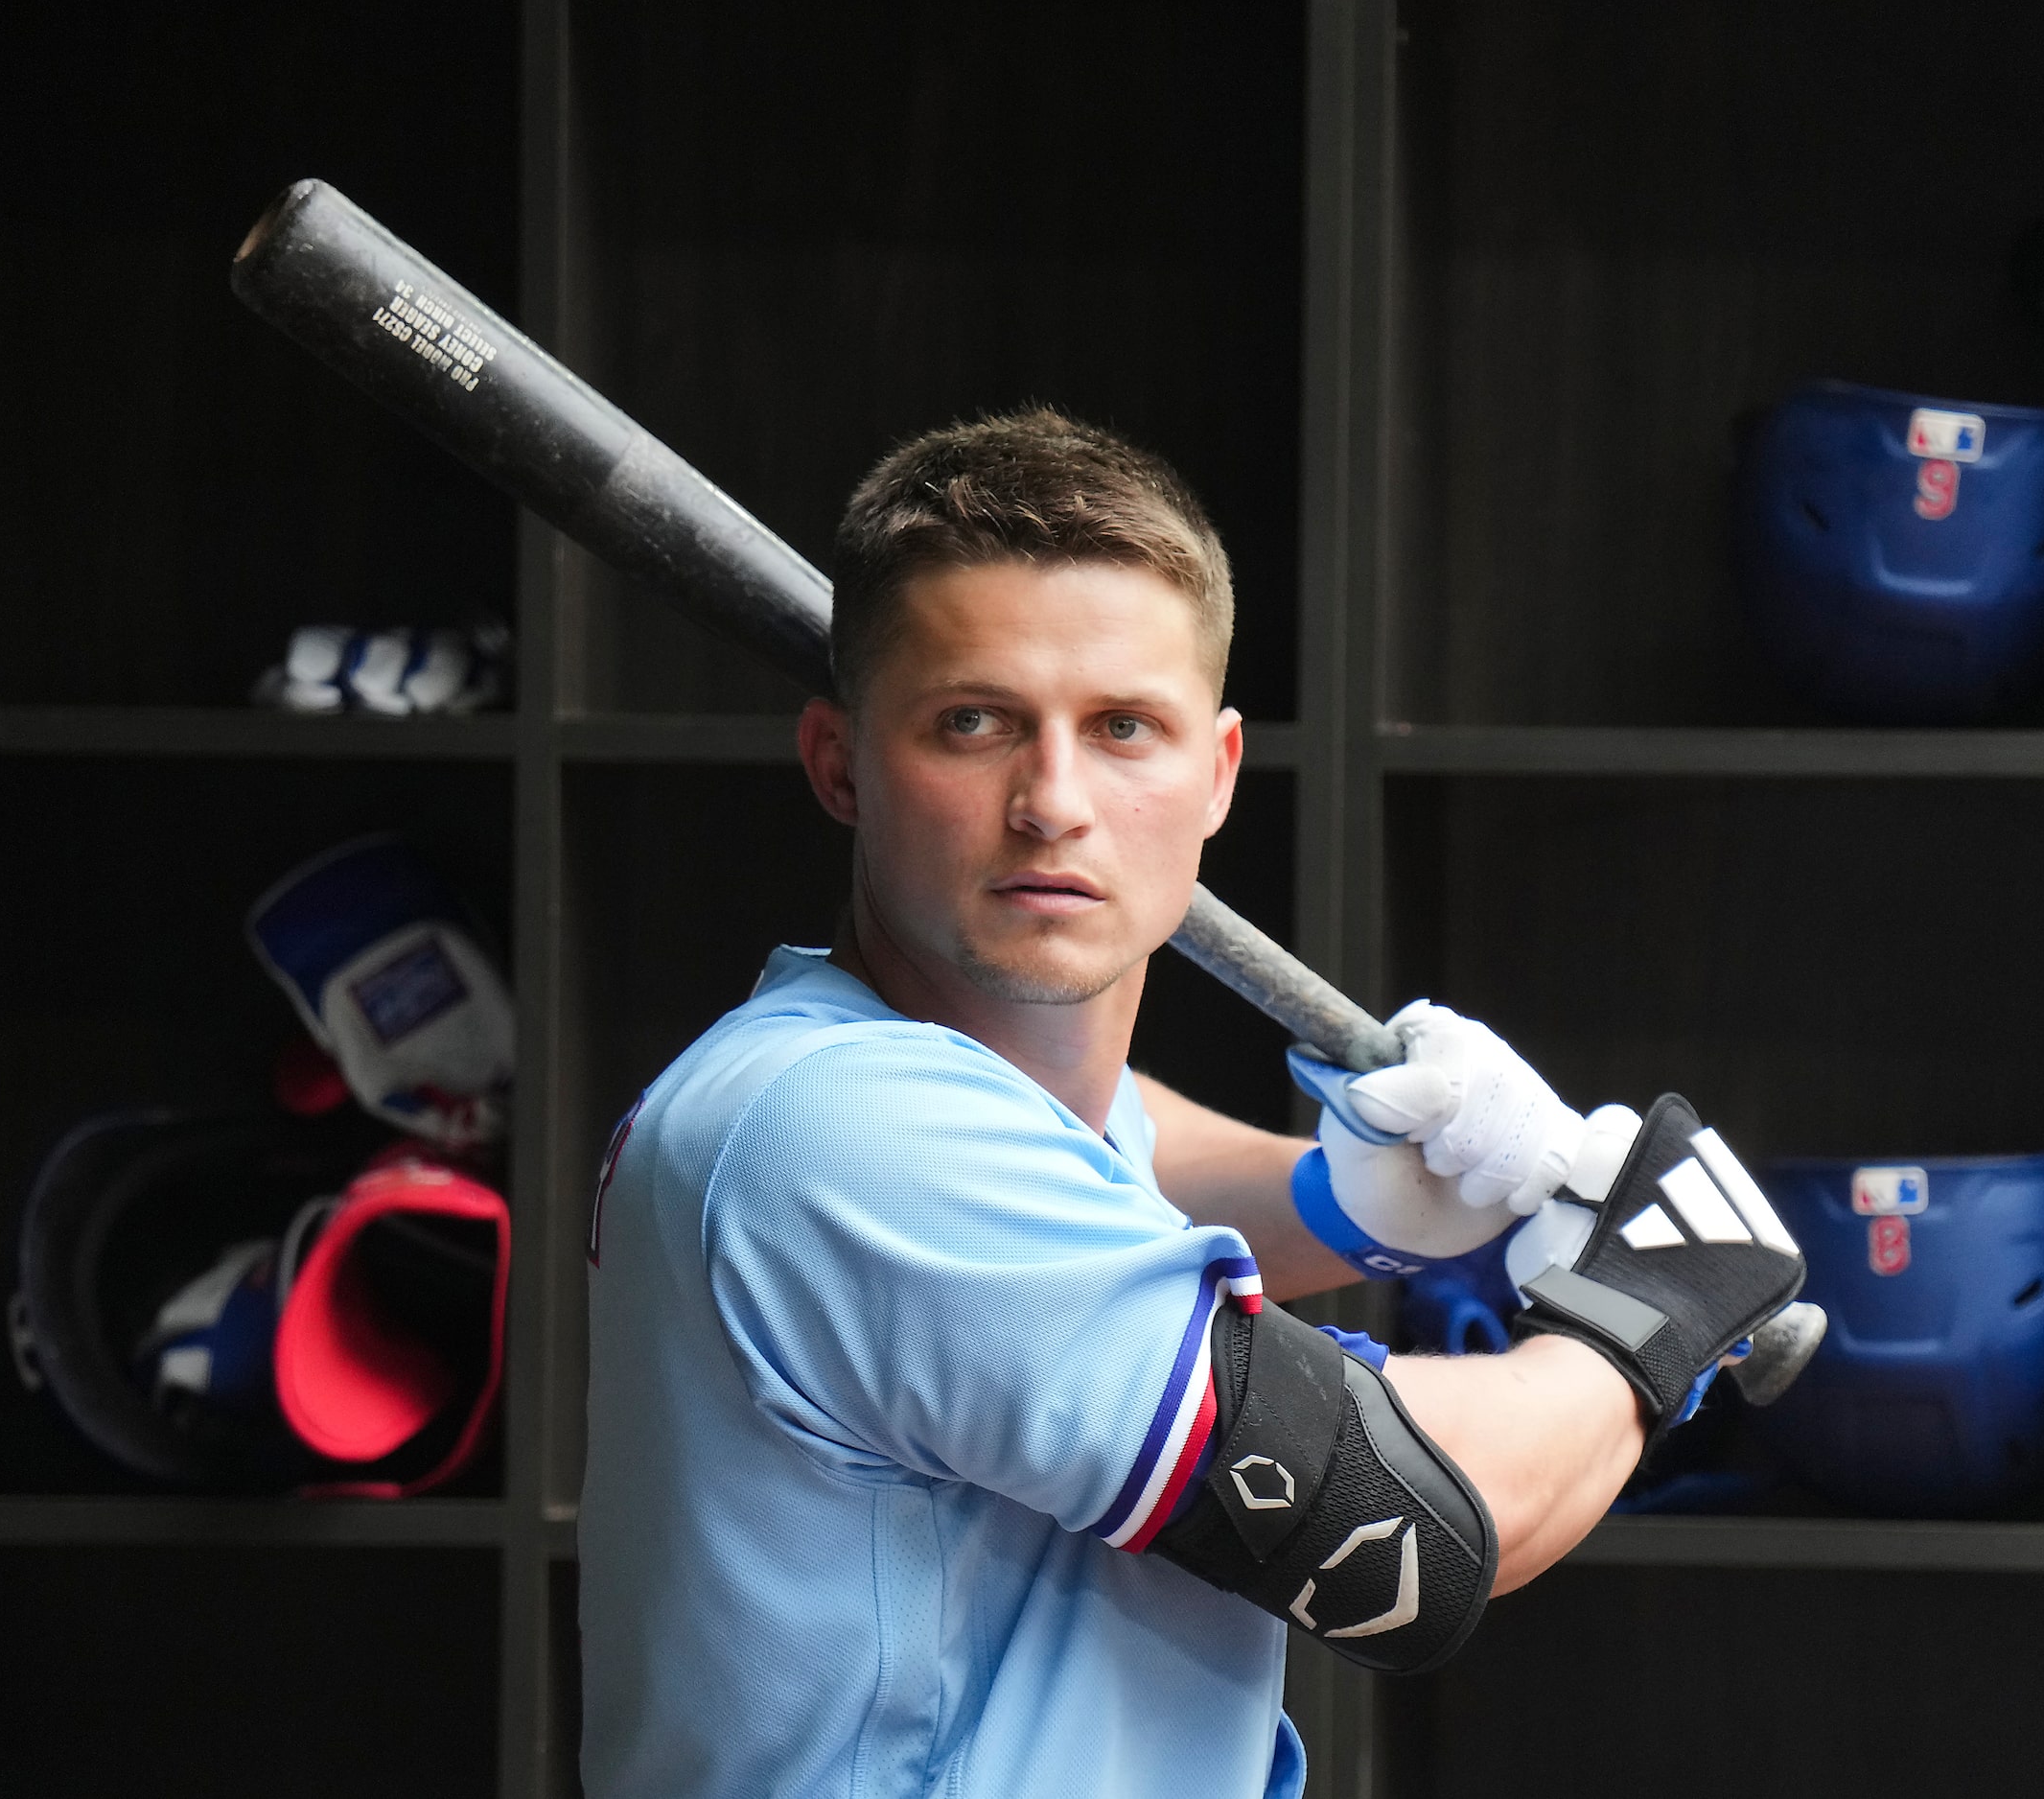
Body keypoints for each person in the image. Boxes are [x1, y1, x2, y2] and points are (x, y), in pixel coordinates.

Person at [580, 410, 1754, 1798]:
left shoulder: (940, 1086)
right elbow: (1397, 1524)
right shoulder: (838, 1133)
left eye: (1123, 728)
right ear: (840, 764)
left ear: (1217, 774)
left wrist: (1350, 1200)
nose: (1052, 802)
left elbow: (1121, 1154)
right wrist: (1652, 1311)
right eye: (974, 722)